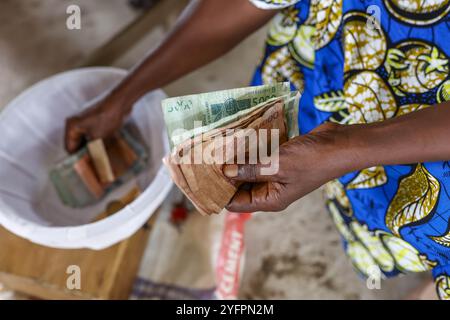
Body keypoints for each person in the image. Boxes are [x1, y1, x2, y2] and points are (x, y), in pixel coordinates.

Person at [65, 0, 450, 299]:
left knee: (425, 217)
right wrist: (124, 96)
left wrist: (342, 147)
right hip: (338, 60)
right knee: (362, 191)